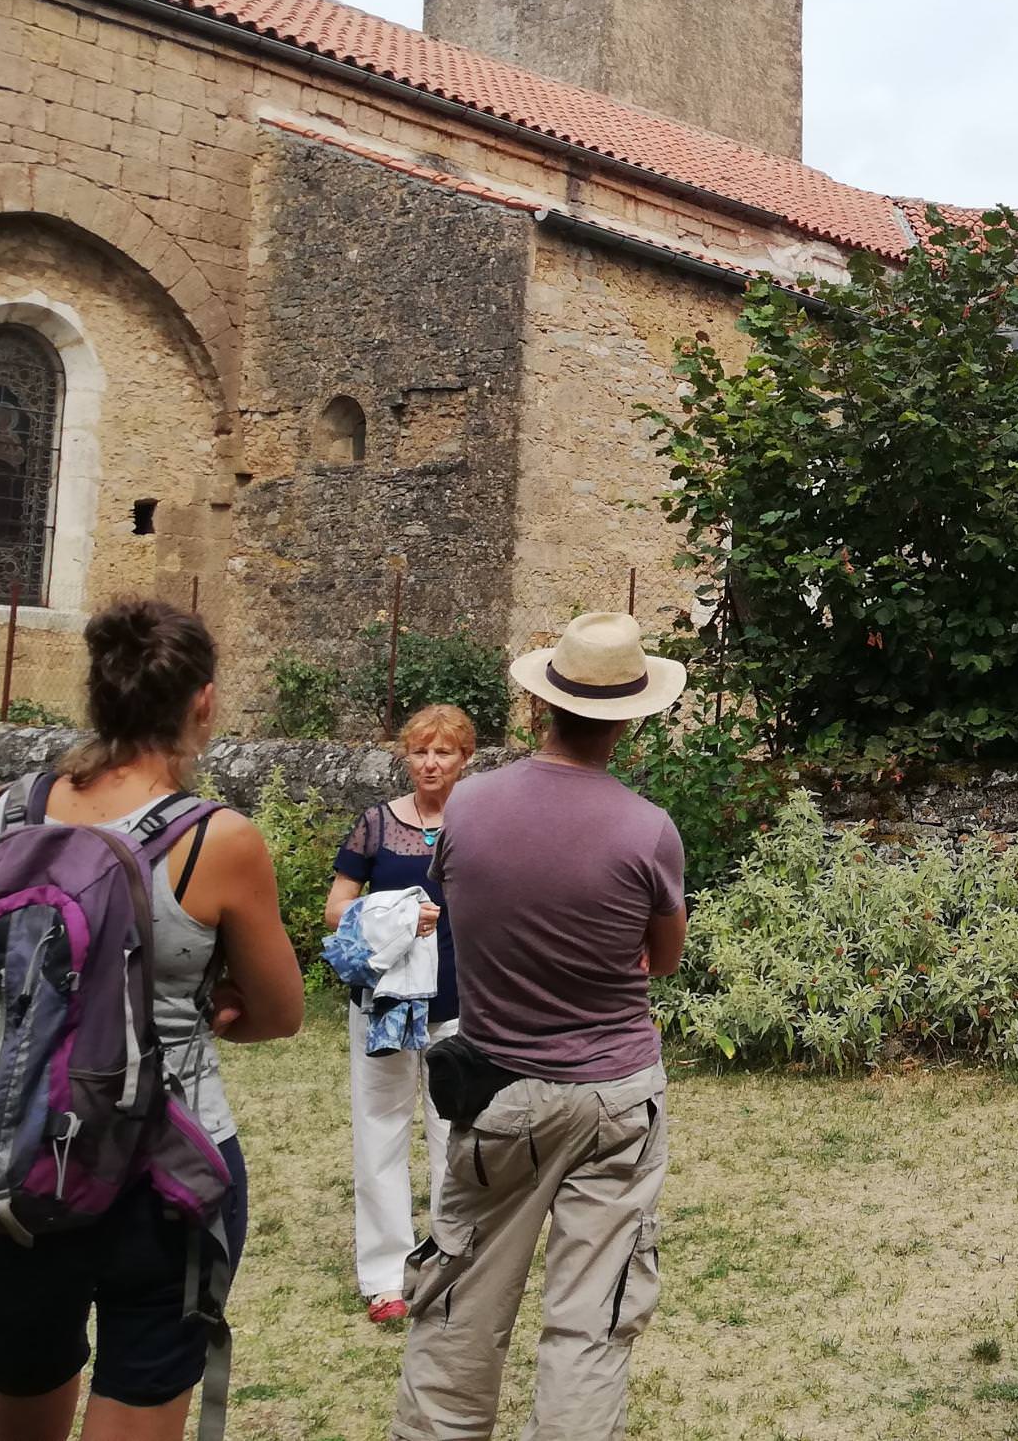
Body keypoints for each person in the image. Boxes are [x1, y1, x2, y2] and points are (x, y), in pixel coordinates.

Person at [0, 599, 305, 1441]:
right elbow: (280, 1013)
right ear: (204, 702)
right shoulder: (215, 839)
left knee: (17, 1413)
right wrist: (212, 1009)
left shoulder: (6, 810)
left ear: (98, 693)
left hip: (12, 1153)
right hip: (163, 1167)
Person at [391, 612, 689, 1441]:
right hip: (617, 1096)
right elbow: (663, 960)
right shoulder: (648, 830)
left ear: (542, 705)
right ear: (628, 720)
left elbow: (460, 906)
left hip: (500, 1089)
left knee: (458, 1308)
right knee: (592, 1324)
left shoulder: (470, 806)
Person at [327, 703, 476, 1323]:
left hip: (460, 1005)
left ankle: (450, 1268)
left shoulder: (480, 825)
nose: (430, 763)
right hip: (385, 1005)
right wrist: (396, 913)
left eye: (443, 752)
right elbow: (336, 908)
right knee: (380, 1135)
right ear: (405, 756)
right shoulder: (376, 825)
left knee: (457, 1138)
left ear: (465, 759)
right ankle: (386, 1278)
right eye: (420, 751)